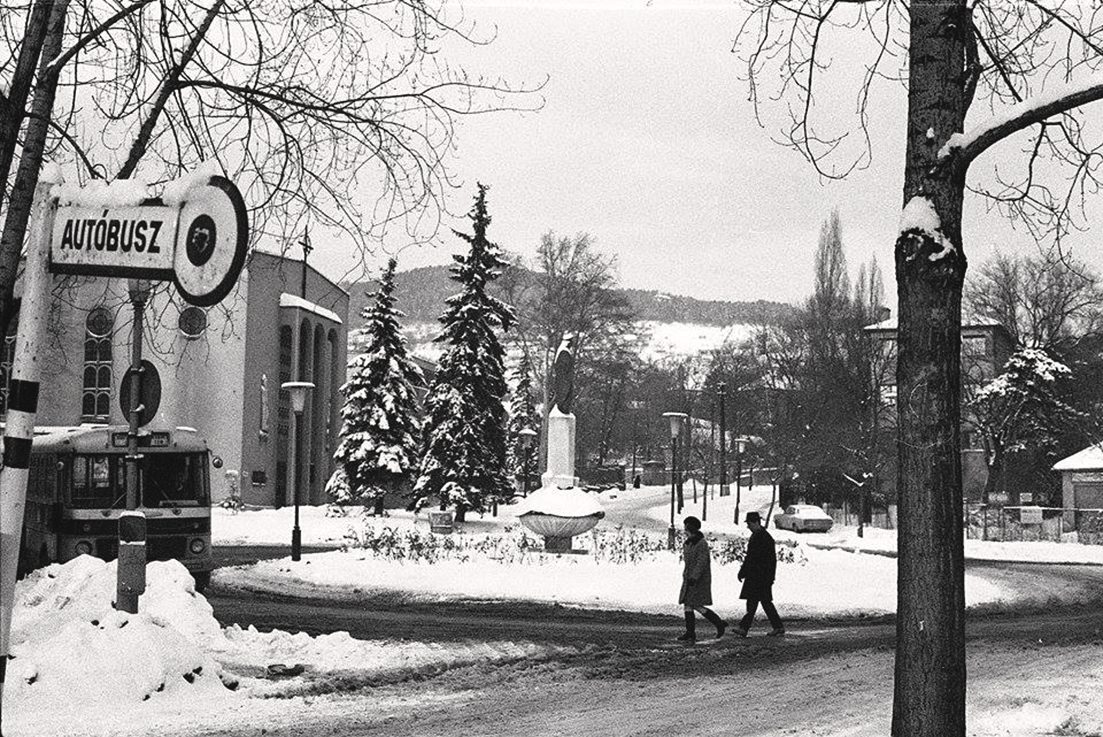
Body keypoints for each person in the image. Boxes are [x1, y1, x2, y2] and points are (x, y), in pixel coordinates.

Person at [677, 516, 728, 642]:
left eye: (686, 527)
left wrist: (694, 577)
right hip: (690, 578)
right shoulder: (689, 543)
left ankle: (717, 623)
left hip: (698, 580)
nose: (684, 530)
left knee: (695, 604)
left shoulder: (701, 543)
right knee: (688, 604)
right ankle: (691, 632)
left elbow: (701, 562)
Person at [735, 511, 785, 637]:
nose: (748, 527)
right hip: (758, 576)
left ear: (756, 522)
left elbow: (764, 559)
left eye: (749, 524)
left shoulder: (763, 538)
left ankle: (744, 628)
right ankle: (777, 627)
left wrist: (744, 571)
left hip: (759, 577)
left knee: (756, 603)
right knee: (762, 603)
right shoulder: (761, 536)